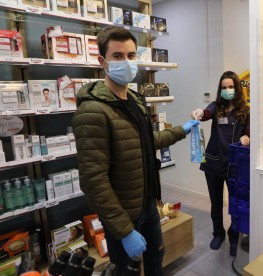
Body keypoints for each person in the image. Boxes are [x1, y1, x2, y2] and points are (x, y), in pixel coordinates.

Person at [72, 26, 199, 276]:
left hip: (148, 204)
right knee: (127, 270)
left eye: (131, 56)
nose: (127, 62)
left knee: (156, 257)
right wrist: (124, 230)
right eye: (118, 56)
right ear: (102, 61)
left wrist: (182, 130)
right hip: (123, 214)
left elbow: (145, 140)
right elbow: (93, 181)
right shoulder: (92, 112)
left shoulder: (136, 99)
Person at [191, 71, 250, 257]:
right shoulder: (217, 106)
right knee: (216, 202)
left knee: (234, 203)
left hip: (235, 165)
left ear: (237, 88)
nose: (227, 90)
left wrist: (247, 135)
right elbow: (206, 112)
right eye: (224, 87)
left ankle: (234, 236)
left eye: (230, 87)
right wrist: (200, 112)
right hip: (214, 163)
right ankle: (218, 234)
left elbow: (249, 129)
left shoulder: (245, 110)